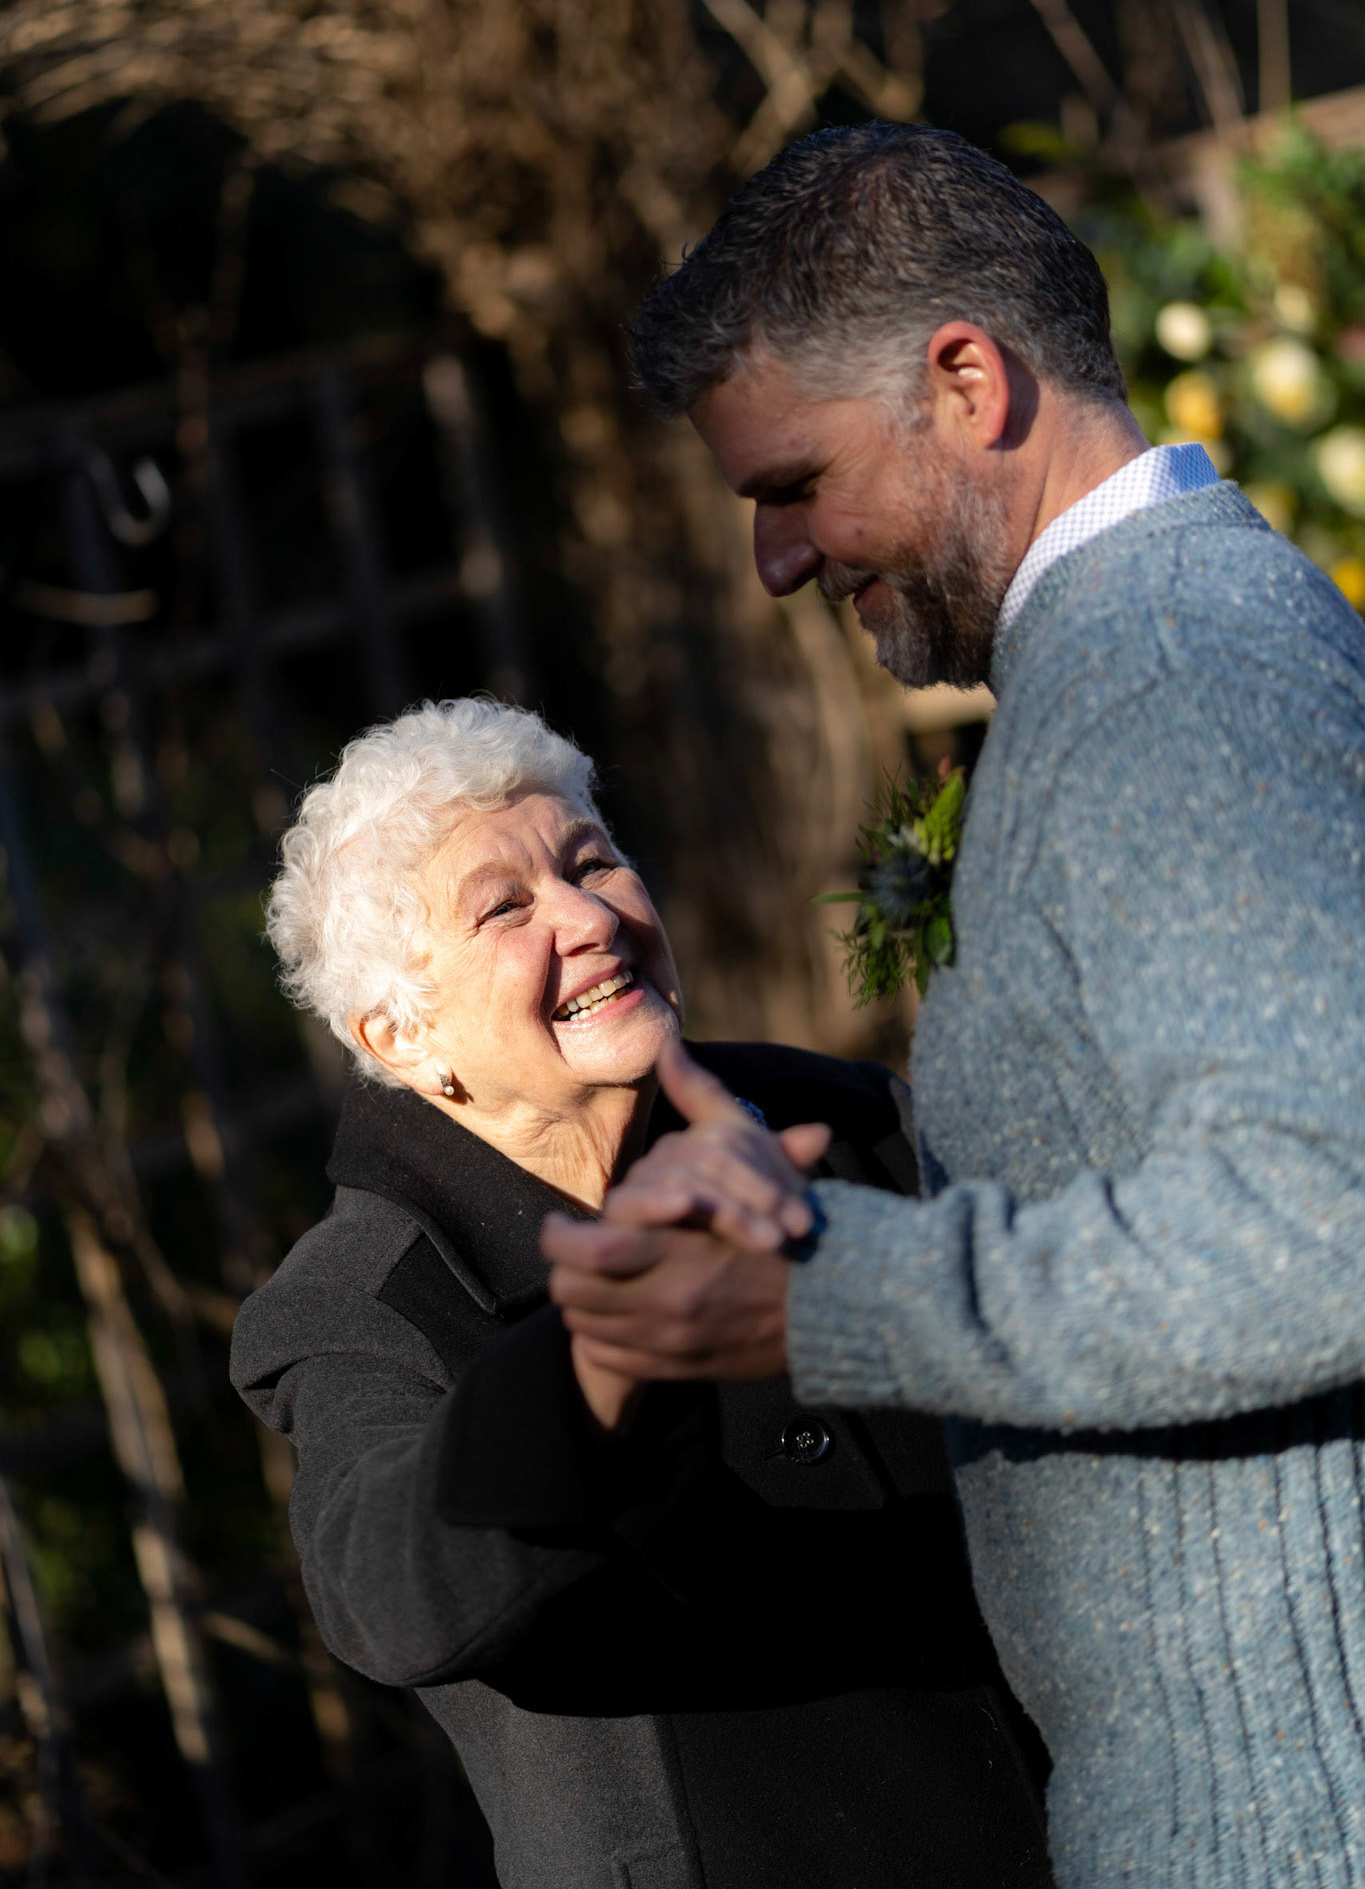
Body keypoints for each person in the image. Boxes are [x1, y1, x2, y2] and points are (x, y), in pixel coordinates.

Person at [544, 122, 1365, 1889]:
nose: (775, 560)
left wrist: (831, 1292)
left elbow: (1331, 1216)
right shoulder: (1147, 652)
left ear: (968, 381)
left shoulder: (1163, 677)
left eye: (794, 484)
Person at [229, 696, 1051, 1889]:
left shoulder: (843, 1119)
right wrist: (605, 1347)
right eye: (504, 906)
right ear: (402, 1035)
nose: (588, 916)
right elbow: (384, 1587)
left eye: (593, 860)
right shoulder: (366, 1300)